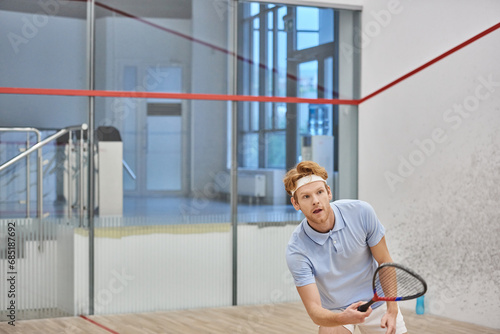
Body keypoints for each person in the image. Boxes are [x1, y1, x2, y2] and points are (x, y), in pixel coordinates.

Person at [284, 161, 407, 334]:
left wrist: (392, 310)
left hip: (377, 302)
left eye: (319, 192)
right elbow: (314, 311)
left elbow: (384, 261)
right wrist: (344, 317)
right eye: (306, 197)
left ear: (328, 192)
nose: (315, 201)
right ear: (295, 204)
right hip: (336, 311)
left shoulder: (361, 212)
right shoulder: (297, 250)